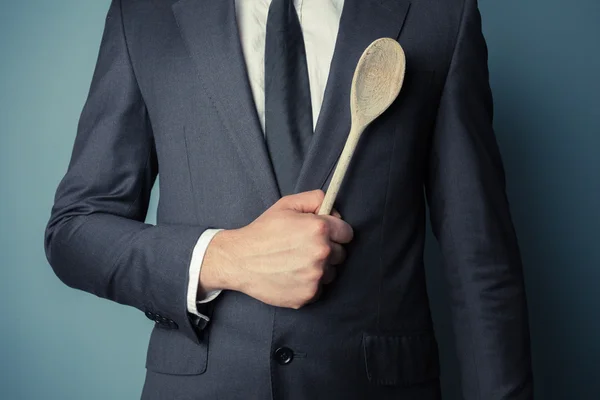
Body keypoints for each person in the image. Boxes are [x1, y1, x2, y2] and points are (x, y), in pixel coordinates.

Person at [44, 0, 533, 398]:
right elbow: (76, 229)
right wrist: (222, 258)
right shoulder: (144, 14)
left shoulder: (438, 13)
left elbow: (480, 257)